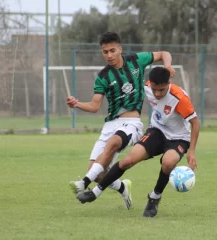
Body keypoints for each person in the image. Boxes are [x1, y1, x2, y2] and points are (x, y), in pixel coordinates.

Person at [67, 32, 175, 210]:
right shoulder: (103, 76)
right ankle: (123, 187)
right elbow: (95, 106)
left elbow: (164, 53)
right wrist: (77, 104)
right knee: (99, 174)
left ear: (120, 49)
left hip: (132, 123)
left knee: (115, 142)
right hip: (110, 124)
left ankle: (83, 182)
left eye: (112, 50)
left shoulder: (135, 61)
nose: (109, 55)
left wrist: (167, 66)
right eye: (105, 52)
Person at [76, 67, 200, 218]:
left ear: (169, 83)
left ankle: (154, 198)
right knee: (128, 160)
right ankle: (95, 192)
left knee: (168, 163)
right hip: (157, 131)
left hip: (179, 138)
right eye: (155, 90)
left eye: (161, 90)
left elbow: (195, 122)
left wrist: (192, 151)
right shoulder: (147, 86)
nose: (157, 94)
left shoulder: (179, 98)